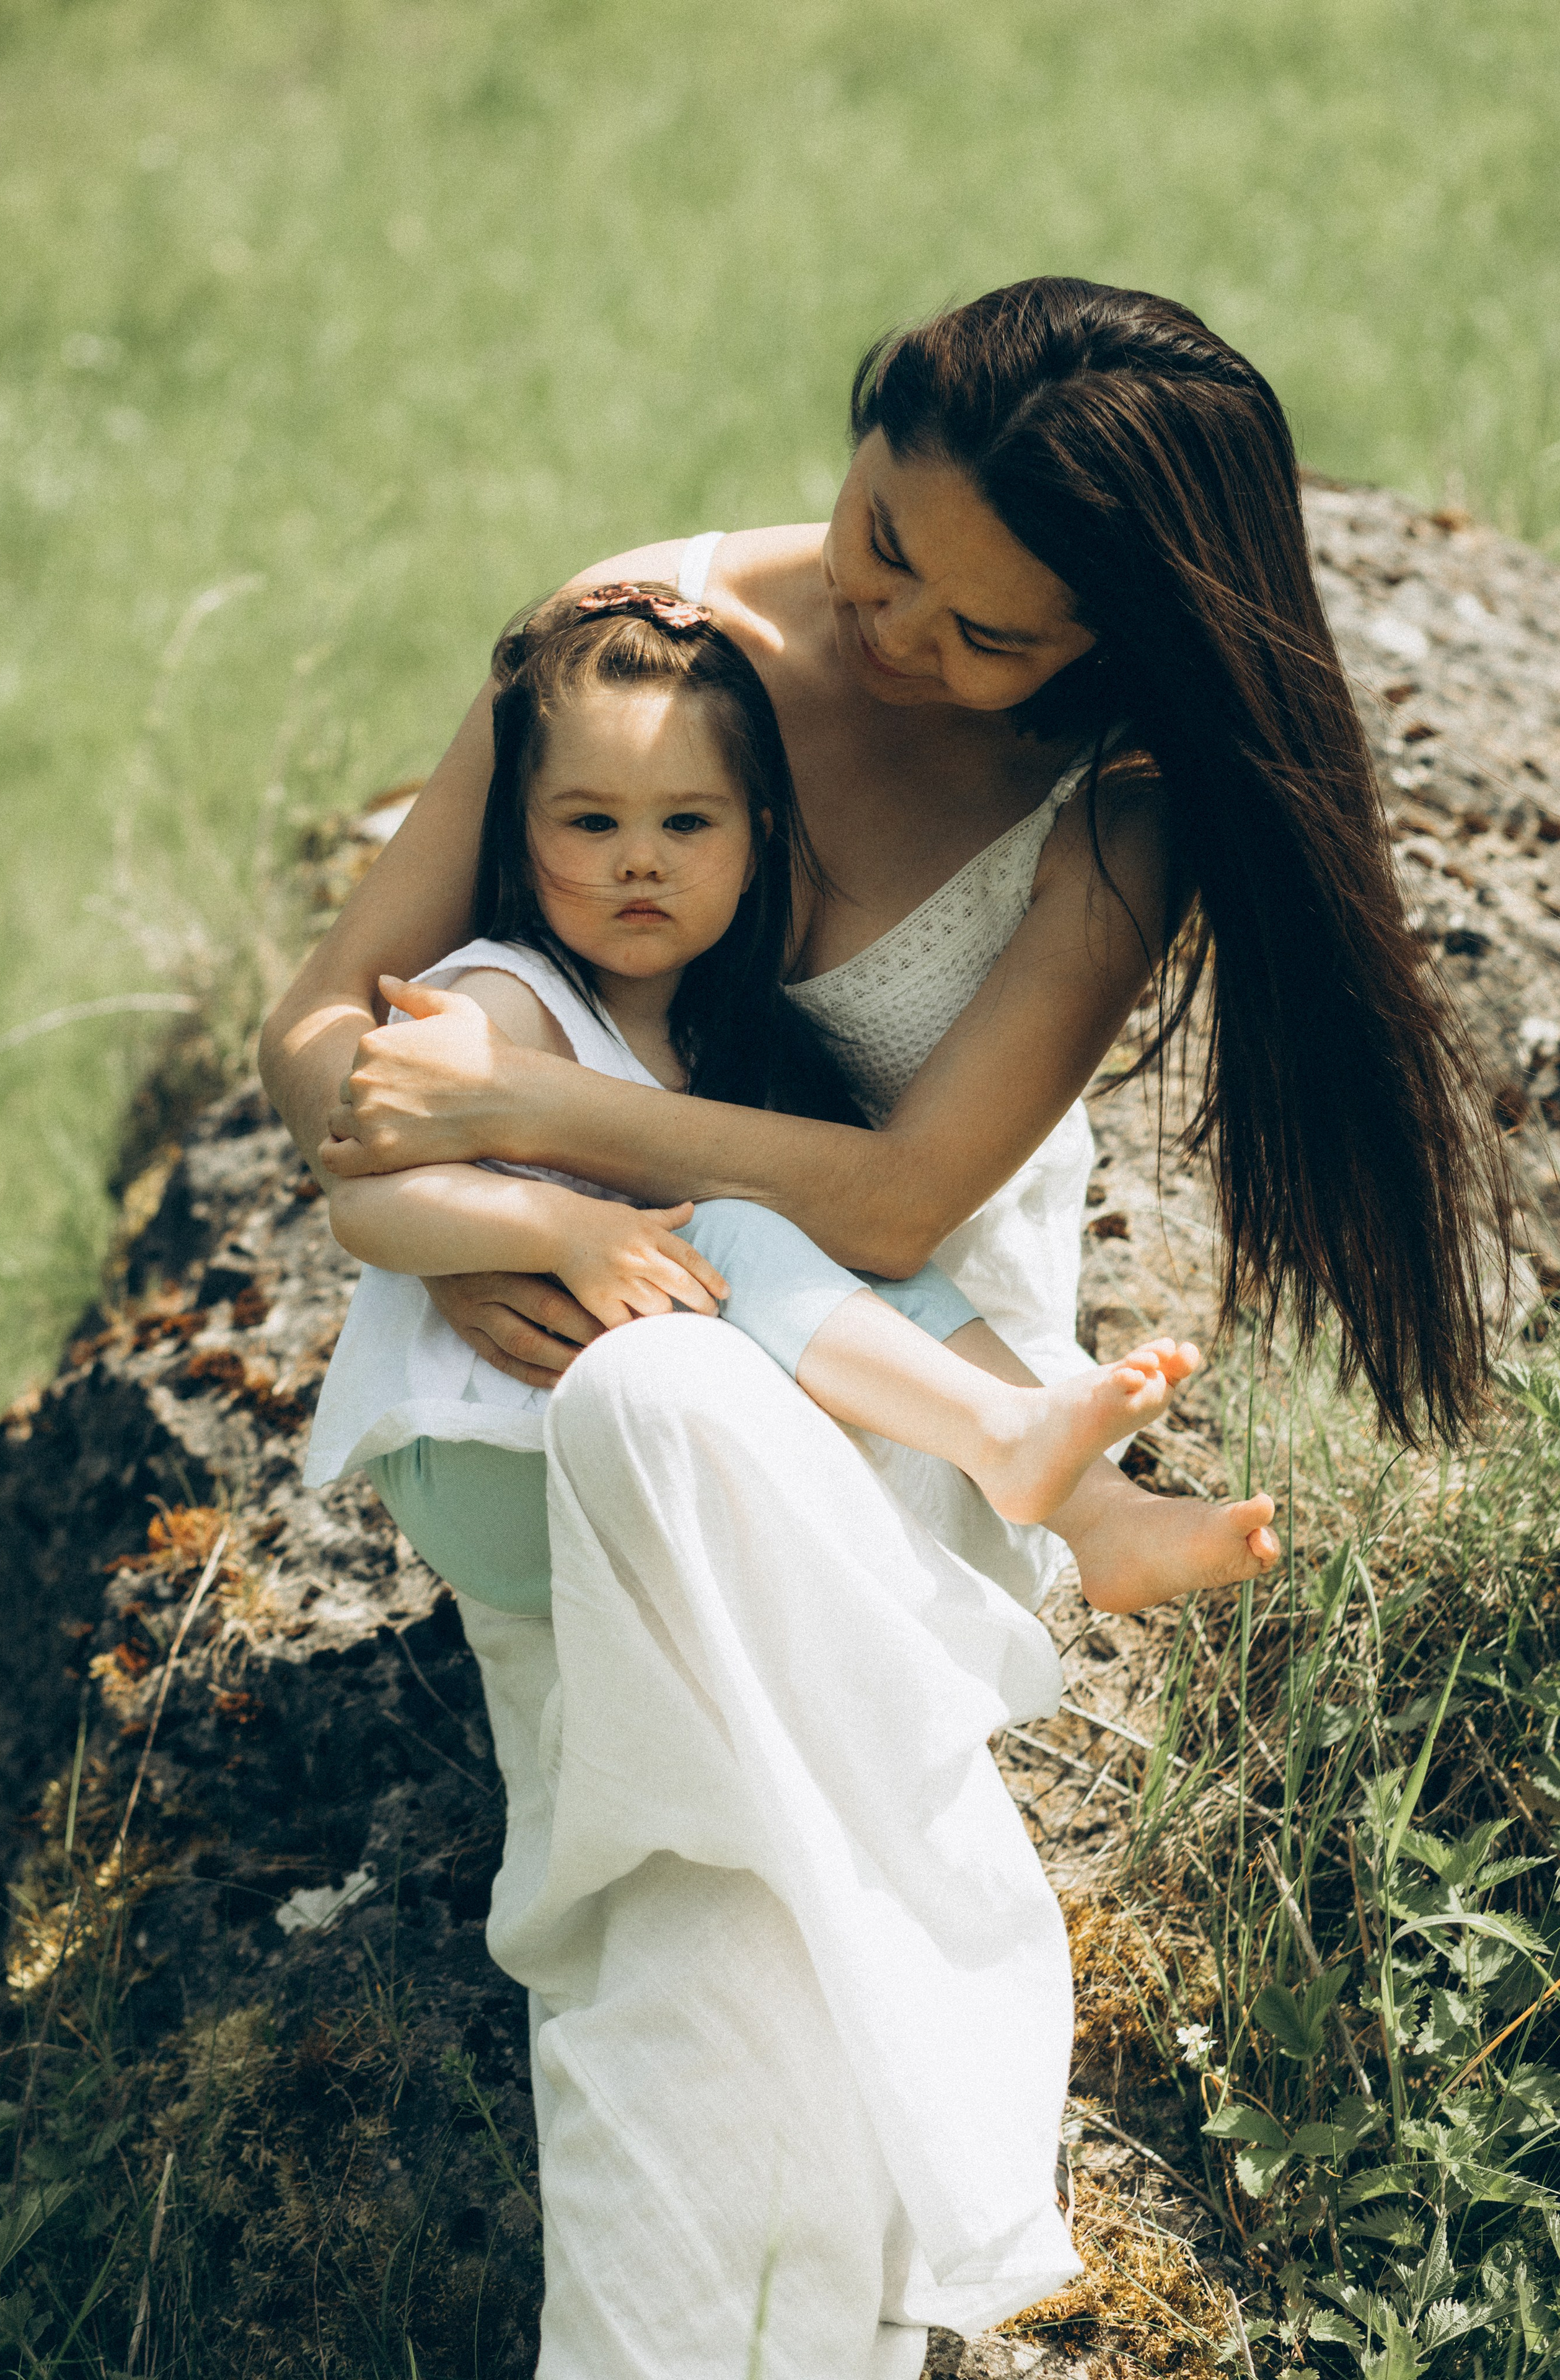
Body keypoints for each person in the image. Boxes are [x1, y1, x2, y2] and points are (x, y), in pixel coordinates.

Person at [262, 279, 1504, 2377]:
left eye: (987, 633)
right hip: (575, 1333)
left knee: (675, 1869)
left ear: (1112, 642)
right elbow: (330, 1034)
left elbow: (907, 1195)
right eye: (882, 545)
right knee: (662, 1437)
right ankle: (952, 2063)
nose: (899, 636)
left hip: (899, 1369)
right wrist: (472, 1220)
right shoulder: (631, 653)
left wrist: (535, 1121)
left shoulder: (1117, 800)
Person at [306, 581, 1265, 1577]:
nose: (640, 861)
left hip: (651, 1440)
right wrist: (564, 1231)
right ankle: (1000, 1439)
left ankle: (1099, 1514)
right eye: (591, 824)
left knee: (851, 1249)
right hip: (486, 1458)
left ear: (759, 839)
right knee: (727, 1228)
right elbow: (365, 1209)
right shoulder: (499, 1006)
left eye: (686, 824)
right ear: (520, 836)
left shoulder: (725, 1038)